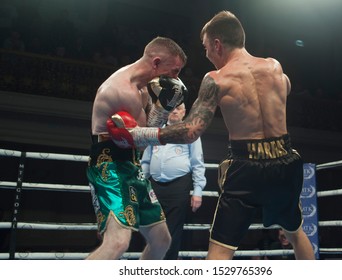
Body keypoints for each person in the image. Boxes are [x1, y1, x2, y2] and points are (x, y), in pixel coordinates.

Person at [113, 11, 315, 260]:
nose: (206, 54)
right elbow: (286, 86)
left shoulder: (217, 79)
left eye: (206, 47)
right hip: (284, 159)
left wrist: (140, 135)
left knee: (220, 249)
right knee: (295, 232)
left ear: (217, 44)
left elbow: (190, 131)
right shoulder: (274, 67)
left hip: (246, 168)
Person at [86, 36, 188, 260]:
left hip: (132, 164)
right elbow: (140, 139)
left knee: (162, 241)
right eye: (175, 71)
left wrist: (163, 107)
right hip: (109, 165)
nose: (176, 79)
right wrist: (171, 133)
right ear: (156, 62)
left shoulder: (141, 89)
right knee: (118, 243)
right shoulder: (120, 90)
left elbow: (147, 127)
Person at [141, 102, 206, 259]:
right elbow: (146, 161)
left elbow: (198, 163)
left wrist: (198, 191)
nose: (175, 111)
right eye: (171, 108)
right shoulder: (156, 130)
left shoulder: (190, 132)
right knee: (152, 230)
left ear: (184, 112)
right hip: (154, 185)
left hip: (179, 185)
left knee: (172, 232)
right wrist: (141, 184)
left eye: (179, 108)